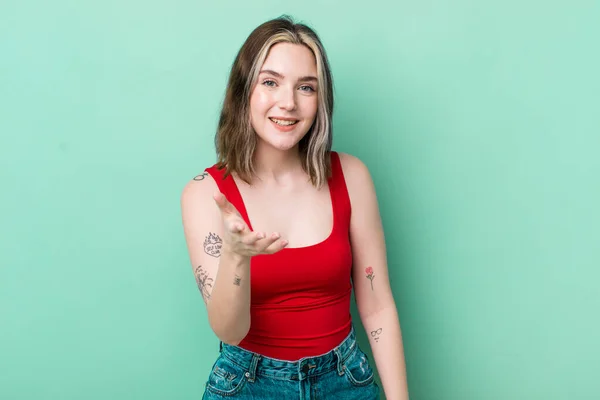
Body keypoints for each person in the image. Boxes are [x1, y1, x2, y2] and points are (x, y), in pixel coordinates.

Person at [181, 15, 409, 399]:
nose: (288, 103)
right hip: (248, 385)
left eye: (306, 87)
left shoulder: (351, 177)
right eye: (270, 82)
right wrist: (237, 257)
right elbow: (228, 331)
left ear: (320, 100)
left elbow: (377, 306)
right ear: (244, 92)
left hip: (345, 379)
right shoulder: (205, 194)